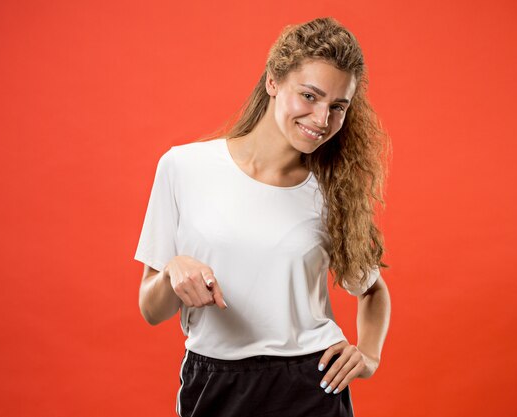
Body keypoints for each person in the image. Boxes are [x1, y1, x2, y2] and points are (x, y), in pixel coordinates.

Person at [134, 17, 392, 417]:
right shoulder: (183, 167)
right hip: (215, 384)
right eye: (309, 96)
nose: (322, 119)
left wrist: (369, 356)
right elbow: (152, 310)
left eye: (337, 106)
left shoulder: (331, 191)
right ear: (274, 81)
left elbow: (372, 290)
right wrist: (172, 271)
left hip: (312, 385)